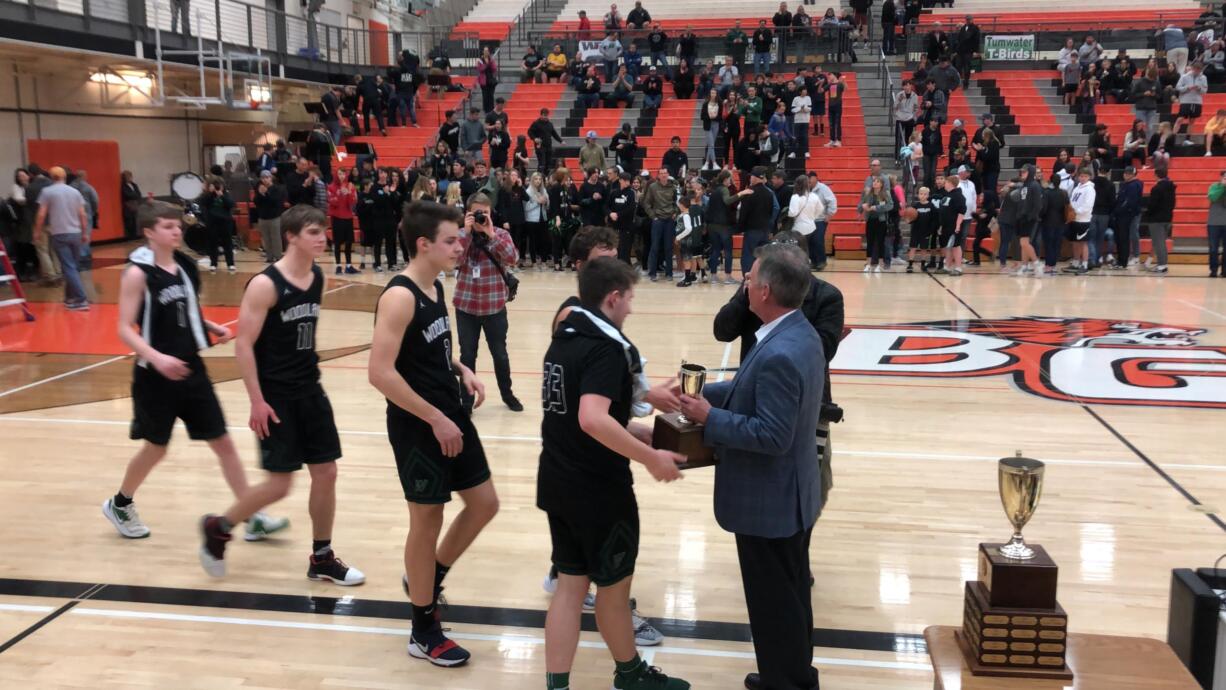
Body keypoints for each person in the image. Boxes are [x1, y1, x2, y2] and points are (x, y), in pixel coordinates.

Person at [679, 244, 824, 690]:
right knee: (791, 596)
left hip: (769, 502)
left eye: (749, 279)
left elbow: (771, 435)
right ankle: (794, 675)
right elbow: (753, 388)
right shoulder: (799, 333)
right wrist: (707, 395)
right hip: (793, 496)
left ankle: (786, 683)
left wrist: (708, 418)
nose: (744, 285)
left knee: (773, 604)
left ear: (763, 291)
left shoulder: (779, 352)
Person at [541, 257, 689, 690]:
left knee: (570, 586)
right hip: (598, 490)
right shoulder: (607, 348)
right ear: (613, 297)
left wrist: (639, 432)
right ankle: (630, 674)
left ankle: (558, 686)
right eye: (629, 298)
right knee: (613, 589)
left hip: (557, 478)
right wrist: (650, 459)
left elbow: (582, 414)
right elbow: (591, 418)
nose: (630, 308)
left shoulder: (565, 332)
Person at [364, 200, 500, 667]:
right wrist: (435, 418)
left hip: (450, 413)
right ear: (423, 245)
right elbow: (380, 373)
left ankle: (428, 575)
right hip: (419, 424)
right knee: (427, 521)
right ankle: (422, 628)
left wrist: (461, 368)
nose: (459, 245)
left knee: (484, 504)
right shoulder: (399, 295)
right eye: (449, 240)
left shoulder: (435, 285)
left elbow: (427, 350)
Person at [101, 200, 288, 541]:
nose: (176, 231)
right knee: (156, 448)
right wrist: (157, 357)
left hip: (191, 369)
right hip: (155, 376)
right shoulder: (137, 273)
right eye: (167, 226)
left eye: (177, 226)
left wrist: (209, 326)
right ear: (148, 232)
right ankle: (120, 503)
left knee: (224, 443)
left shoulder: (183, 266)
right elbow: (124, 328)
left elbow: (183, 310)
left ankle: (250, 515)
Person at [199, 205, 364, 587]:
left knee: (327, 472)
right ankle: (219, 527)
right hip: (275, 395)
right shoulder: (264, 284)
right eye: (312, 232)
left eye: (323, 231)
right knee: (279, 484)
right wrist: (257, 400)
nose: (322, 237)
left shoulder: (317, 276)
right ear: (290, 236)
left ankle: (322, 557)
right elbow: (243, 345)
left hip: (310, 387)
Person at [453, 193, 522, 411]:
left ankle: (507, 394)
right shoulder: (460, 236)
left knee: (500, 355)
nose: (482, 217)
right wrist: (465, 232)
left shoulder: (500, 234)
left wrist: (491, 234)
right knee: (467, 356)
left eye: (486, 213)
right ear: (468, 214)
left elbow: (513, 258)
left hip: (494, 307)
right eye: (477, 213)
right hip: (466, 307)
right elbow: (453, 262)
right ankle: (466, 401)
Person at [730, 166, 776, 275]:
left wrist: (739, 228)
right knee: (763, 256)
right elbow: (771, 212)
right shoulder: (769, 193)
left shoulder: (749, 193)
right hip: (764, 230)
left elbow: (743, 213)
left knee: (748, 255)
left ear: (755, 178)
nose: (750, 179)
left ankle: (748, 277)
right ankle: (762, 276)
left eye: (751, 177)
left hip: (752, 230)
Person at [641, 166, 678, 282]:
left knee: (668, 247)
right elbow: (646, 203)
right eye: (661, 173)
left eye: (665, 173)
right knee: (655, 247)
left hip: (669, 220)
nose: (663, 175)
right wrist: (653, 216)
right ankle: (652, 273)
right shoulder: (652, 187)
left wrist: (675, 213)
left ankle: (669, 273)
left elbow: (677, 202)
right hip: (658, 220)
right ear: (658, 175)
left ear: (668, 174)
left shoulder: (673, 187)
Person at [1064, 167, 1096, 274]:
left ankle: (1085, 264)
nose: (1082, 178)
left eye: (1085, 176)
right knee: (1075, 242)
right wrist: (1070, 212)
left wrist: (1076, 212)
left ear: (1089, 177)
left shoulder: (1090, 189)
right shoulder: (1077, 188)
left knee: (1083, 243)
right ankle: (1076, 263)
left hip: (1083, 220)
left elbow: (1088, 206)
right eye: (1081, 176)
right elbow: (1072, 202)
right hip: (1074, 219)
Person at [1144, 168, 1176, 273]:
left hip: (1156, 220)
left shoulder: (1156, 188)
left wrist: (1148, 213)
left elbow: (1152, 205)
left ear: (1156, 175)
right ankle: (1163, 264)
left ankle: (1162, 265)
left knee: (1159, 243)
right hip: (1167, 218)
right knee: (1162, 242)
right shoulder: (1171, 187)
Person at [328, 167, 358, 274]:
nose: (341, 176)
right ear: (336, 175)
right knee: (337, 242)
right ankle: (338, 265)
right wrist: (339, 193)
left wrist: (349, 193)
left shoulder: (350, 186)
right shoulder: (331, 187)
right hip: (337, 218)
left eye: (343, 174)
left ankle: (349, 265)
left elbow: (353, 202)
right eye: (340, 174)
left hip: (348, 217)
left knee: (349, 242)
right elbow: (332, 202)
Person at [674, 194, 704, 286]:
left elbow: (689, 229)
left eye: (679, 204)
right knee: (686, 259)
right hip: (684, 240)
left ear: (682, 205)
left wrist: (678, 237)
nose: (678, 205)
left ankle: (687, 280)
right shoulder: (683, 214)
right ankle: (688, 278)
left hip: (686, 240)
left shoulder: (686, 216)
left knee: (687, 260)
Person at [1177, 63, 1208, 146]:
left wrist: (1199, 88)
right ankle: (1172, 137)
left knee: (1192, 120)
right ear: (1193, 68)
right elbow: (1178, 87)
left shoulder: (1203, 78)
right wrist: (1187, 88)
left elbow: (1205, 91)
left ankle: (1187, 139)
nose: (1197, 71)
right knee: (1180, 119)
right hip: (1185, 100)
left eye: (1199, 70)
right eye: (1196, 69)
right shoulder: (1184, 76)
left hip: (1196, 101)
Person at [529, 108, 564, 173]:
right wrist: (534, 138)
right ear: (541, 115)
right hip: (540, 146)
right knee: (542, 163)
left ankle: (546, 178)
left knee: (548, 163)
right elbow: (530, 132)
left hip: (548, 146)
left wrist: (560, 141)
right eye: (544, 115)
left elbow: (554, 133)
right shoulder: (536, 123)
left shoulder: (550, 124)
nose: (546, 117)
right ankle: (539, 177)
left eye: (547, 115)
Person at [1208, 170, 1226, 277]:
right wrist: (1222, 187)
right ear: (1221, 177)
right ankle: (1213, 270)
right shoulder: (1214, 186)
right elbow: (1213, 197)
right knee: (1213, 248)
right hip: (1213, 223)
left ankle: (1224, 271)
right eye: (1224, 177)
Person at [476, 48, 499, 112]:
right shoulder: (479, 60)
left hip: (491, 80)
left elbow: (494, 69)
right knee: (485, 96)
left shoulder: (491, 59)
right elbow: (480, 69)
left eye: (487, 51)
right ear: (483, 52)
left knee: (491, 95)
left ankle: (491, 109)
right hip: (483, 81)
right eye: (485, 51)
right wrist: (486, 65)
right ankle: (486, 109)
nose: (486, 52)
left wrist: (490, 62)